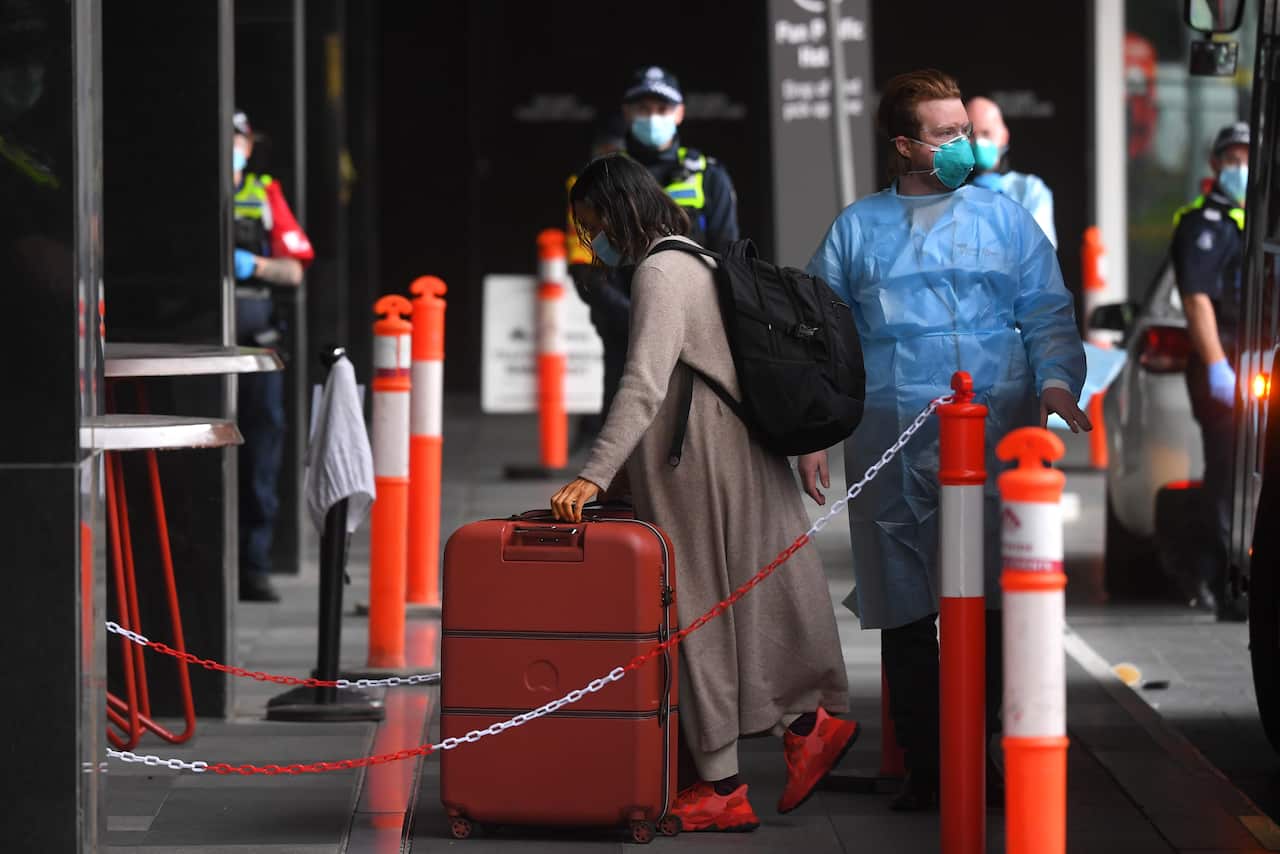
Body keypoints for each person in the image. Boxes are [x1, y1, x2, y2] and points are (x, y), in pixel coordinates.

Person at [801, 68, 1089, 811]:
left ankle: (977, 745)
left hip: (995, 430)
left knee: (992, 598)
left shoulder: (1005, 221)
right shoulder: (857, 230)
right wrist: (812, 432)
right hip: (889, 437)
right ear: (905, 146)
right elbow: (823, 341)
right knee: (904, 603)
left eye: (966, 126)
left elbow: (1048, 312)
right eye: (947, 132)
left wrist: (1058, 381)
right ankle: (930, 764)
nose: (964, 142)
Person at [551, 155, 855, 832]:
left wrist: (593, 473)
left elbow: (644, 384)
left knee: (696, 617)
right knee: (750, 603)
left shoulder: (659, 272)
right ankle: (809, 724)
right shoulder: (700, 260)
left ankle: (723, 785)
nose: (587, 239)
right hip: (728, 453)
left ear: (618, 212)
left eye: (589, 223)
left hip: (696, 466)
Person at [570, 67, 741, 434]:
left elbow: (728, 259)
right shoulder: (597, 177)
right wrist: (641, 319)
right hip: (624, 334)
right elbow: (585, 266)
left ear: (679, 112)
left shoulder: (707, 174)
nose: (653, 116)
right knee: (623, 444)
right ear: (626, 112)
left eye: (662, 108)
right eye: (643, 107)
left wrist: (680, 323)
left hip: (693, 336)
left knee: (690, 442)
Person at [232, 109, 314, 602]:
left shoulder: (262, 191)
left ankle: (253, 563)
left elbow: (294, 271)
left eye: (239, 137)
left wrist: (254, 264)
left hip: (256, 344)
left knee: (260, 453)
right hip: (197, 338)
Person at [1170, 120, 1250, 621]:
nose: (1241, 166)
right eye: (1233, 157)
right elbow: (1197, 299)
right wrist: (1219, 366)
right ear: (1217, 163)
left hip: (1259, 358)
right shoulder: (1202, 222)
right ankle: (1222, 581)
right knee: (1225, 473)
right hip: (1222, 361)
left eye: (1249, 156)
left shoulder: (1259, 218)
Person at [966, 95, 1058, 248]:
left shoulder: (1030, 190)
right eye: (971, 135)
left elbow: (1039, 253)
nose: (979, 142)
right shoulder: (949, 192)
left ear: (1004, 136)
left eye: (986, 133)